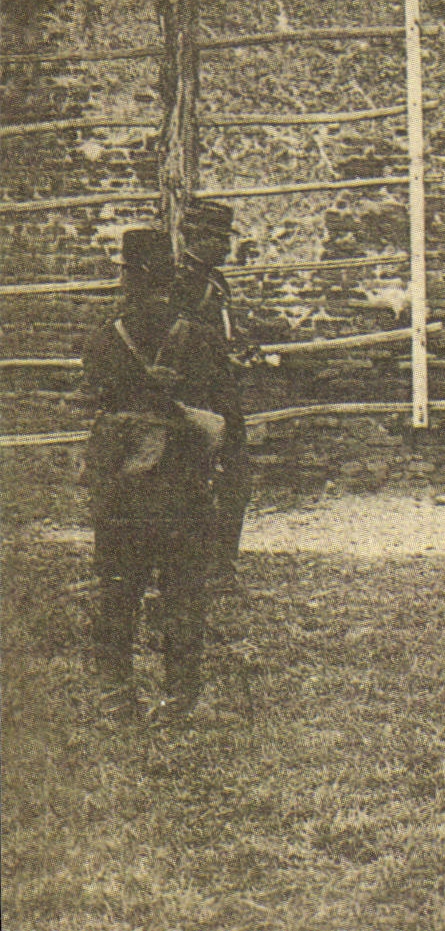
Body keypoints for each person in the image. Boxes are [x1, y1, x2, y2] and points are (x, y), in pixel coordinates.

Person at [81, 227, 232, 724]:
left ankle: (115, 697)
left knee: (117, 593)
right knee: (184, 595)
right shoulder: (201, 338)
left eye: (125, 272)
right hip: (182, 487)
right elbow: (225, 416)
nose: (121, 281)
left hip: (123, 489)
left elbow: (97, 399)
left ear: (137, 276)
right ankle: (180, 699)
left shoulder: (104, 340)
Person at [171, 199, 252, 595]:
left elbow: (223, 330)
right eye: (219, 239)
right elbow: (179, 341)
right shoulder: (179, 284)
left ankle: (222, 565)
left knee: (236, 476)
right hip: (195, 392)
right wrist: (220, 356)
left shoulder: (216, 280)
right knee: (194, 479)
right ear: (197, 238)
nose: (226, 247)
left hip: (222, 390)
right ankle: (195, 567)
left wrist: (240, 347)